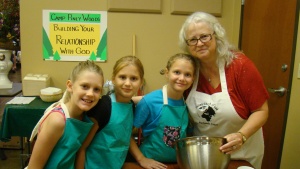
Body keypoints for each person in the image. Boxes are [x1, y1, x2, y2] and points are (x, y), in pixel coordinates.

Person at [178, 11, 269, 169]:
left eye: (204, 36)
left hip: (242, 155)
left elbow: (261, 111)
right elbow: (171, 95)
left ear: (216, 36)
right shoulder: (189, 70)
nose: (199, 43)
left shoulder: (240, 66)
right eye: (193, 39)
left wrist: (242, 135)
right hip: (204, 157)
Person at [26, 60, 104, 169]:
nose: (90, 94)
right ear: (70, 86)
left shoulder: (84, 117)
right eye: (85, 86)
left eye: (96, 89)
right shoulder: (57, 120)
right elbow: (34, 167)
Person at [129, 53, 197, 169]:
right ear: (167, 73)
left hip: (178, 164)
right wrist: (141, 159)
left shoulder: (190, 103)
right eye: (177, 72)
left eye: (187, 74)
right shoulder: (149, 101)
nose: (181, 78)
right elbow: (126, 133)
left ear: (193, 78)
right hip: (150, 164)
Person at [76, 55, 144, 169]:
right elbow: (82, 148)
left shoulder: (131, 106)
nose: (127, 83)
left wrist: (141, 158)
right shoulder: (103, 107)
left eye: (133, 78)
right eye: (122, 77)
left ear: (141, 82)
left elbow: (126, 137)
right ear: (113, 79)